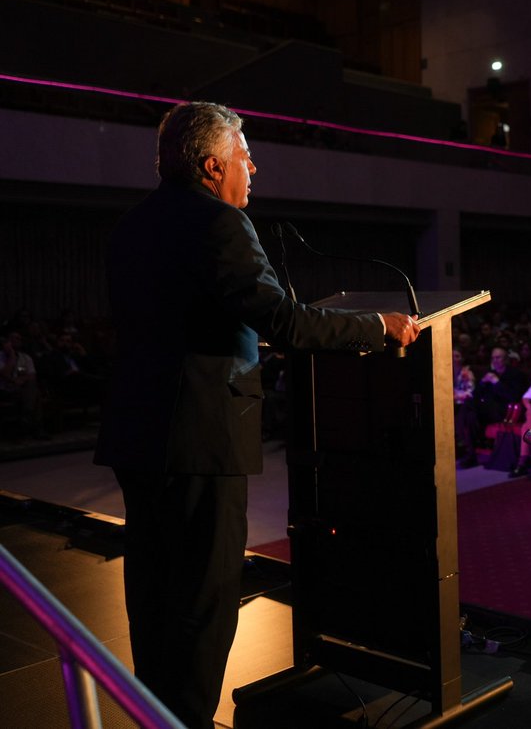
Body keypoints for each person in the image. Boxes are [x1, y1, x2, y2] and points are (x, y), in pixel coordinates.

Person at [92, 102, 421, 729]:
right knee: (203, 600)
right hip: (199, 438)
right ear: (213, 166)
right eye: (245, 156)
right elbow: (284, 321)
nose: (254, 168)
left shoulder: (133, 224)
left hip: (139, 432)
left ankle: (154, 714)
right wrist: (378, 326)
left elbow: (182, 316)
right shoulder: (220, 222)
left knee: (154, 593)